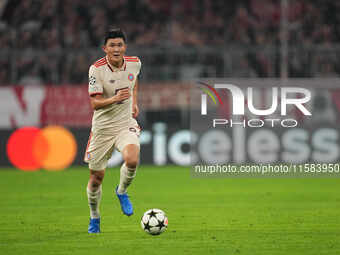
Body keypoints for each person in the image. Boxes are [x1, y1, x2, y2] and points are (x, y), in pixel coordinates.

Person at [84, 28, 141, 233]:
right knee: (96, 179)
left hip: (125, 123)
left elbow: (134, 81)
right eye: (112, 45)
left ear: (124, 47)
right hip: (102, 128)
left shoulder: (135, 62)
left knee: (132, 159)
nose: (116, 49)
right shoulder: (96, 69)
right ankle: (95, 217)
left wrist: (134, 102)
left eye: (119, 45)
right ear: (105, 48)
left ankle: (121, 191)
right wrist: (115, 99)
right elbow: (95, 103)